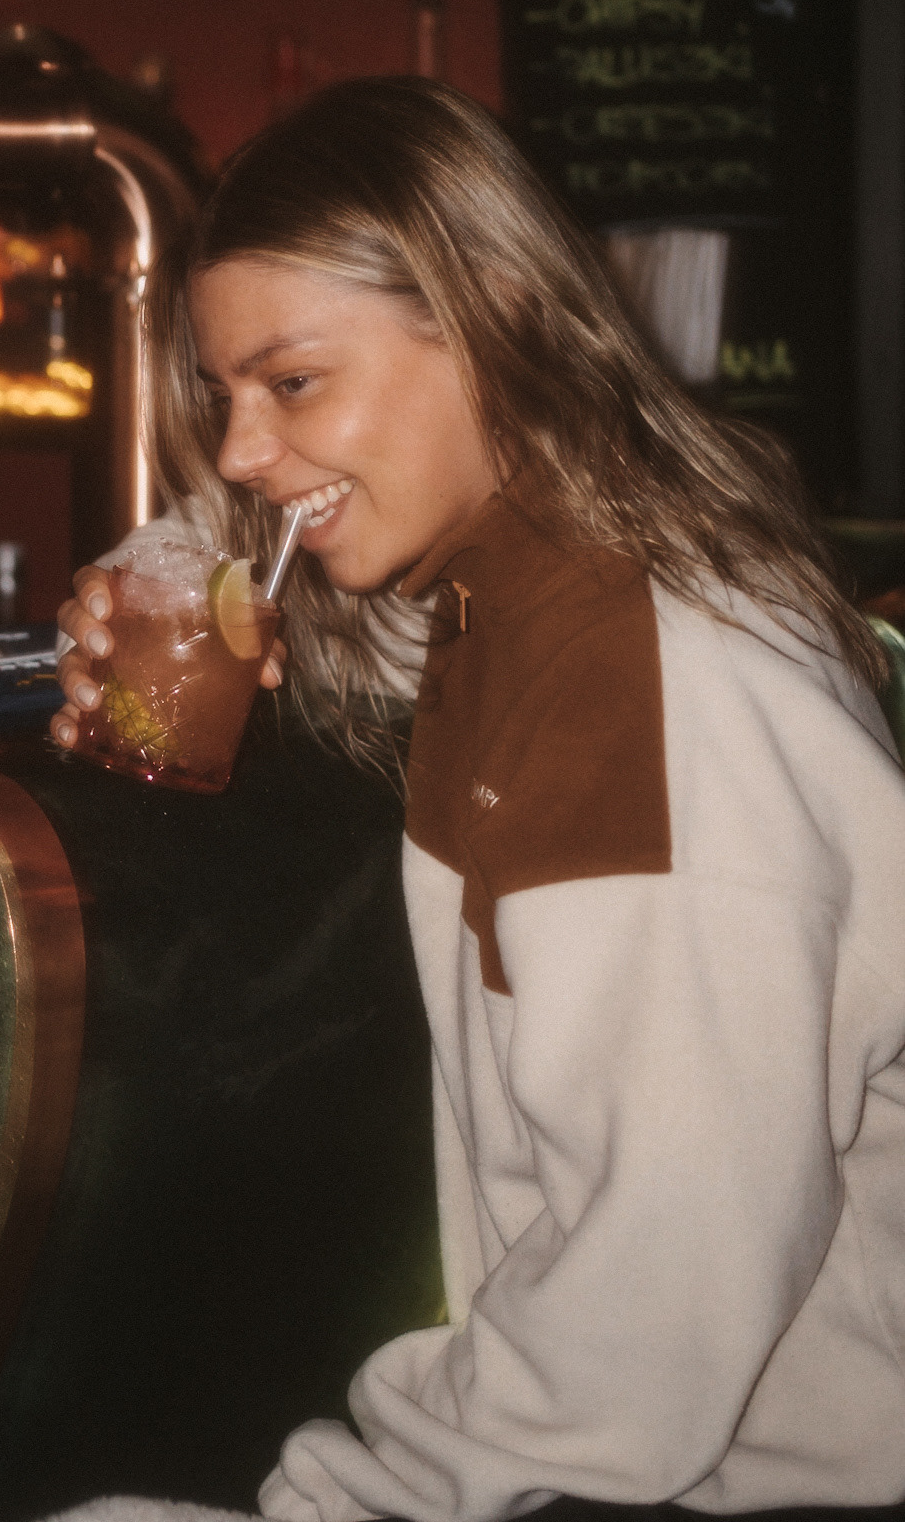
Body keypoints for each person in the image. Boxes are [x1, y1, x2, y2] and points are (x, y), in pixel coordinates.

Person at [52, 77, 905, 1522]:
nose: (244, 448)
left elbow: (651, 1306)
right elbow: (337, 605)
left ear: (495, 314)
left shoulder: (641, 688)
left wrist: (344, 1501)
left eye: (291, 383)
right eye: (224, 397)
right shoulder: (541, 579)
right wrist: (163, 577)